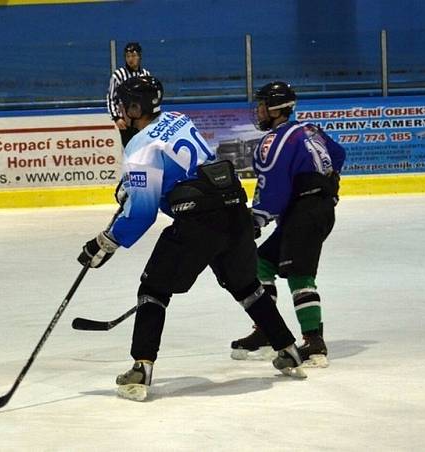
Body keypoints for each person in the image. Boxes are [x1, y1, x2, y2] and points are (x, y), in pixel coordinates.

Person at [78, 76, 306, 402]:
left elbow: (141, 215)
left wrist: (105, 241)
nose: (121, 114)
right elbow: (191, 171)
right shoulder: (177, 119)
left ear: (134, 107)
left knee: (153, 289)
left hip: (199, 220)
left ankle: (140, 369)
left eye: (124, 107)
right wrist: (140, 188)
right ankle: (289, 350)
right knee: (246, 286)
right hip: (234, 208)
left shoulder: (139, 148)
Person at [230, 81, 345, 368]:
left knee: (299, 274)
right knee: (263, 262)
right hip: (314, 209)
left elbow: (274, 188)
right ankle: (268, 331)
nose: (257, 110)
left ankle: (314, 343)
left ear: (275, 109)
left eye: (261, 105)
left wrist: (256, 219)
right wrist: (323, 182)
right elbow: (339, 155)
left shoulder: (275, 140)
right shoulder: (309, 129)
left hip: (305, 212)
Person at [106, 42, 151, 147]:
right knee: (130, 151)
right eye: (128, 56)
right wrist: (116, 118)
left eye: (134, 56)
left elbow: (149, 97)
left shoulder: (146, 74)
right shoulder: (118, 75)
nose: (131, 59)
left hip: (142, 121)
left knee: (145, 151)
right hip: (126, 123)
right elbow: (111, 98)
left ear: (139, 56)